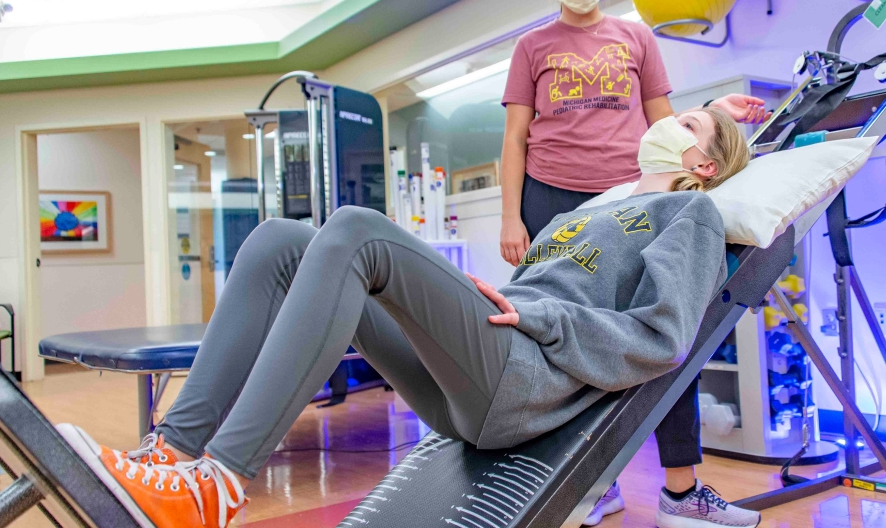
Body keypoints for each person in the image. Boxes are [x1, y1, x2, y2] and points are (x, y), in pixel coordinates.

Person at [57, 107, 752, 528]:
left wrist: (545, 321)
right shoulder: (581, 213)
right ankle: (173, 455)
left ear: (705, 162)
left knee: (359, 230)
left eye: (688, 123)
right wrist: (502, 299)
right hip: (486, 370)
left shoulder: (689, 212)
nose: (668, 121)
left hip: (532, 383)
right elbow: (532, 294)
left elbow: (665, 335)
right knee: (277, 241)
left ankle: (216, 487)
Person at [499, 0, 769, 527]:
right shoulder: (532, 47)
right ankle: (596, 483)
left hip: (633, 198)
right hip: (553, 200)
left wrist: (714, 119)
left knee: (661, 331)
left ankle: (682, 486)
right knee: (568, 342)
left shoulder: (636, 37)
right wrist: (512, 216)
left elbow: (666, 124)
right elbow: (515, 138)